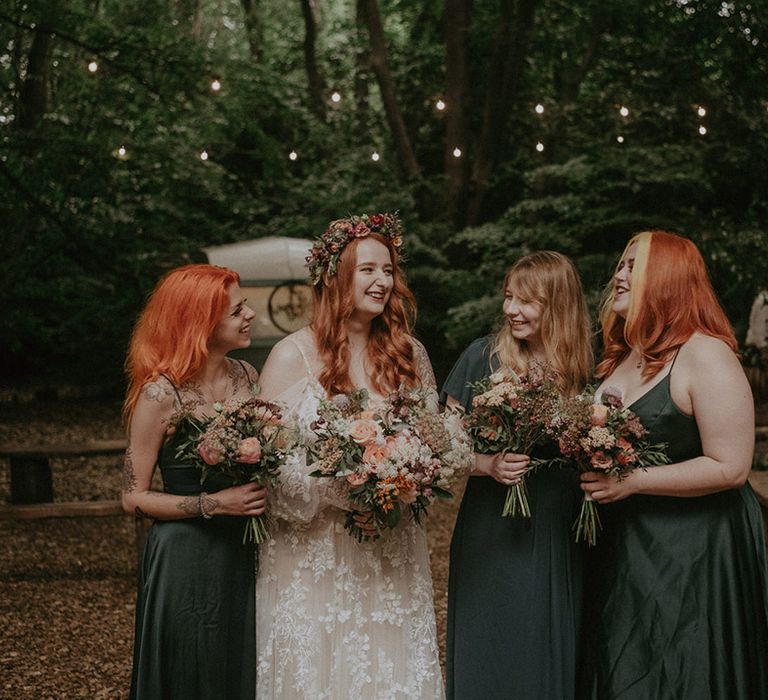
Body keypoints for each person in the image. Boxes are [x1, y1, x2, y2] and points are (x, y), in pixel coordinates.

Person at [255, 213, 444, 698]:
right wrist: (349, 490)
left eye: (389, 271)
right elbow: (272, 475)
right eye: (368, 270)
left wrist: (396, 493)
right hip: (313, 556)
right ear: (335, 276)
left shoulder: (410, 355)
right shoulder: (289, 357)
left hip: (390, 551)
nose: (383, 281)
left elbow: (431, 447)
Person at [579, 230, 768, 699]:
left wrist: (632, 480)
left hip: (694, 554)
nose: (618, 276)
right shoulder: (620, 359)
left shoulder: (706, 354)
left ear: (665, 279)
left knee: (684, 673)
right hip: (624, 550)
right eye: (620, 265)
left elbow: (732, 465)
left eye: (631, 266)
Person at [441, 251, 594, 700]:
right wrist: (486, 465)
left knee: (548, 638)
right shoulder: (482, 357)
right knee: (492, 637)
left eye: (527, 301)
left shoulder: (585, 369)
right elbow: (443, 447)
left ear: (558, 306)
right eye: (509, 297)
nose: (511, 310)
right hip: (493, 523)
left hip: (560, 521)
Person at [121, 264, 267, 700]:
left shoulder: (248, 377)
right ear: (201, 323)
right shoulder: (159, 394)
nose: (251, 315)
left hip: (243, 548)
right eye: (237, 310)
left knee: (237, 665)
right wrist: (214, 504)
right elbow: (132, 498)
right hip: (185, 556)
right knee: (189, 668)